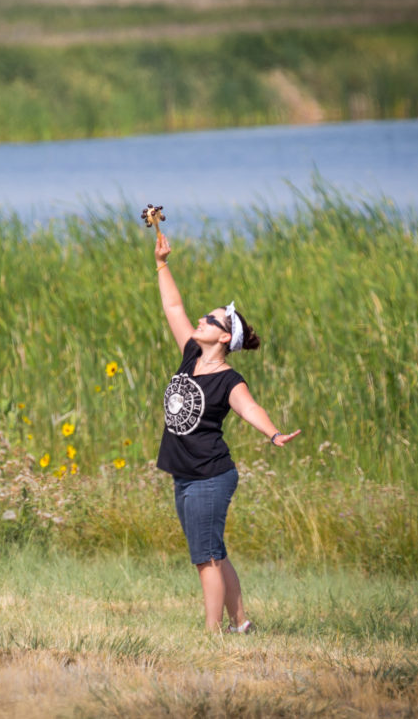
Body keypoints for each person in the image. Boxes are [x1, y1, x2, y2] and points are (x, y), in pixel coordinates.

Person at [153, 230, 300, 633]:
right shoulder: (191, 354)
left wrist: (273, 434)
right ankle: (242, 624)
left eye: (210, 319)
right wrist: (162, 263)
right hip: (186, 474)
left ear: (223, 336)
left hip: (210, 476)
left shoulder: (229, 379)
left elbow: (251, 408)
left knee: (205, 558)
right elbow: (173, 306)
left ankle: (212, 634)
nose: (201, 320)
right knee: (213, 551)